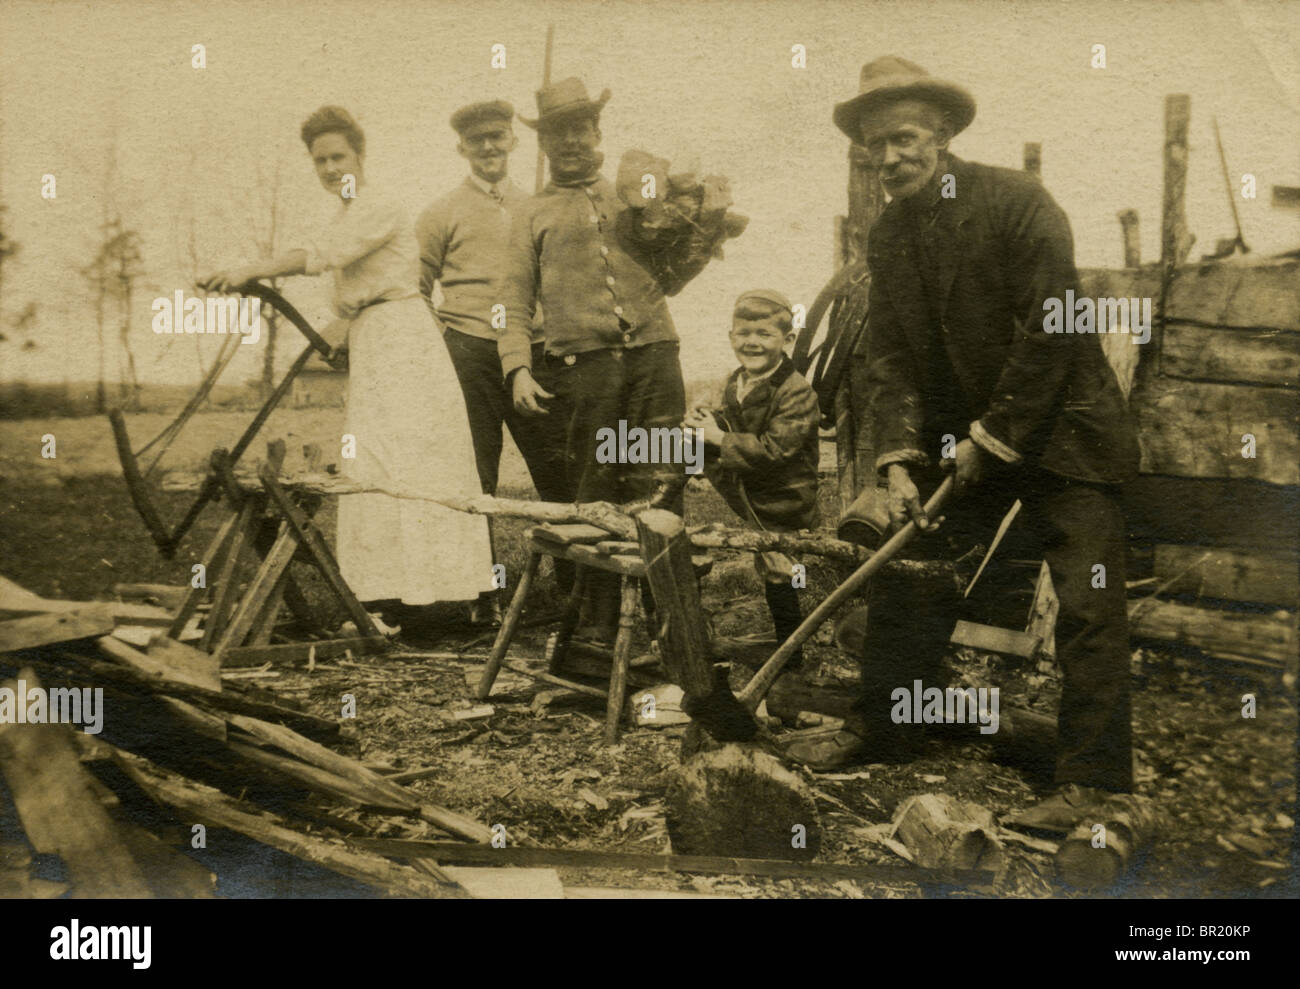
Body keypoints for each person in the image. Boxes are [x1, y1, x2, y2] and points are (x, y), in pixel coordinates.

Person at [784, 58, 1140, 834]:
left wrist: (997, 434)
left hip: (1068, 433)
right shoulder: (888, 233)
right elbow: (891, 356)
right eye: (873, 148)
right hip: (968, 444)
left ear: (943, 136)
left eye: (904, 139)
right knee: (913, 572)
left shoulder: (1017, 203)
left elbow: (1054, 326)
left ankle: (1094, 785)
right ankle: (887, 724)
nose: (888, 160)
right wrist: (897, 458)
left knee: (1087, 604)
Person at [200, 105, 494, 633]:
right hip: (374, 340)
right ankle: (391, 599)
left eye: (338, 156)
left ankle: (441, 599)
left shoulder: (377, 204)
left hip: (404, 341)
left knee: (416, 461)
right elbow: (340, 278)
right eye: (320, 161)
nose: (331, 168)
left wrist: (252, 267)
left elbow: (324, 254)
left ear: (360, 156)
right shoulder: (342, 213)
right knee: (377, 462)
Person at [498, 77, 724, 644]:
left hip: (655, 353)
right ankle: (596, 626)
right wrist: (517, 366)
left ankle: (669, 620)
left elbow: (676, 267)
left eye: (580, 128)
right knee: (594, 485)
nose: (571, 141)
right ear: (544, 144)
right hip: (583, 365)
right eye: (557, 132)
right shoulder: (529, 213)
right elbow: (511, 300)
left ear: (597, 132)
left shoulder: (636, 196)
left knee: (662, 476)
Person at [415, 100, 570, 619]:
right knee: (475, 473)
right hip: (471, 351)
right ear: (462, 148)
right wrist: (448, 339)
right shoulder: (441, 212)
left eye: (497, 137)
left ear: (513, 142)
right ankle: (481, 596)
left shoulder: (538, 205)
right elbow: (415, 289)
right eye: (477, 139)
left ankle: (573, 591)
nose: (488, 147)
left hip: (533, 351)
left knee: (555, 467)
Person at [685, 289, 820, 672]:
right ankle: (784, 647)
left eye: (764, 334)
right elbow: (734, 419)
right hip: (752, 493)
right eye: (743, 333)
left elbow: (776, 451)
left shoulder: (797, 391)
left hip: (786, 498)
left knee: (783, 574)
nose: (752, 342)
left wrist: (717, 438)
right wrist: (705, 421)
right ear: (731, 337)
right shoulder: (736, 381)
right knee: (774, 569)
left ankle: (793, 659)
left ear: (788, 340)